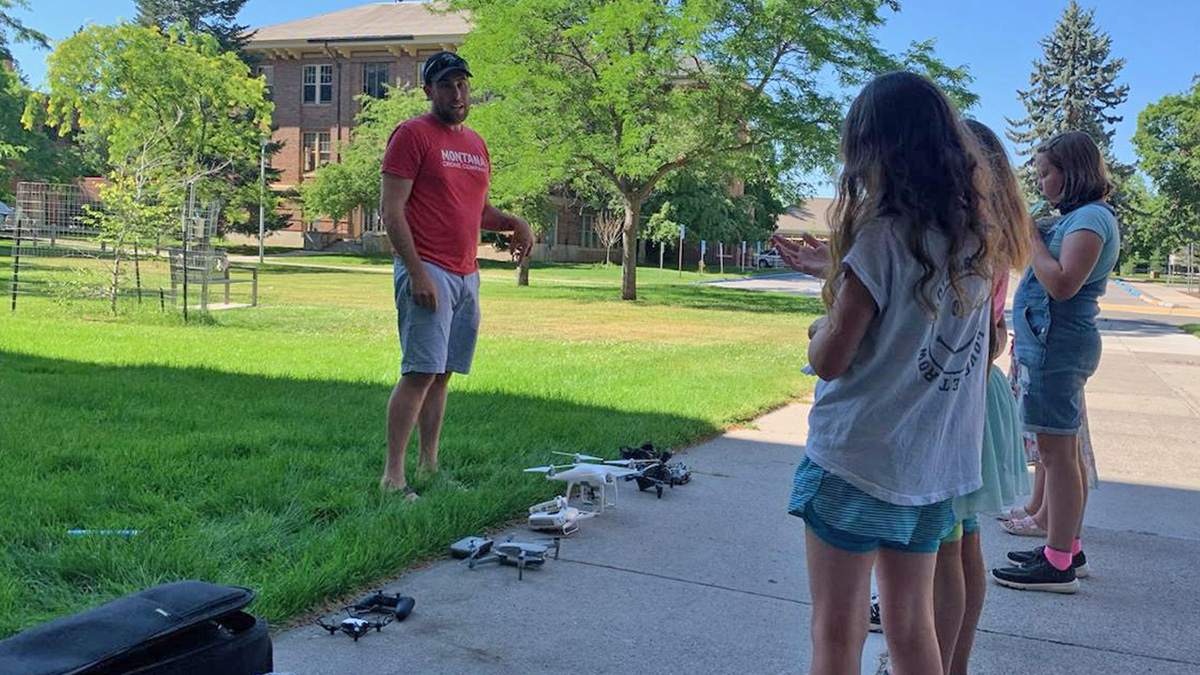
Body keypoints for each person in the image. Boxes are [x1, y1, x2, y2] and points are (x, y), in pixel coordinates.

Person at [775, 71, 996, 675]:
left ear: (871, 152)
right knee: (912, 627)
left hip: (855, 464)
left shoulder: (879, 238)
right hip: (927, 471)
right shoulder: (973, 245)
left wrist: (818, 327)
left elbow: (832, 357)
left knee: (836, 632)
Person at [378, 51, 534, 499]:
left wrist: (514, 222)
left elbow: (477, 209)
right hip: (428, 268)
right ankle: (393, 477)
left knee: (442, 373)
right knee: (419, 373)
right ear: (429, 91)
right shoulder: (412, 135)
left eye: (462, 83)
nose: (457, 92)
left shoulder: (476, 144)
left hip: (467, 274)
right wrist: (417, 274)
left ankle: (429, 465)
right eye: (446, 85)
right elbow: (391, 212)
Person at [991, 131, 1120, 593]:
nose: (1040, 182)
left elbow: (1062, 283)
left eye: (1046, 173)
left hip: (1057, 347)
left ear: (1073, 171)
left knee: (1058, 456)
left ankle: (1058, 564)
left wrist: (1031, 237)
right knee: (1061, 454)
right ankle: (1067, 549)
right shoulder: (1079, 217)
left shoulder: (1090, 219)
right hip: (1051, 347)